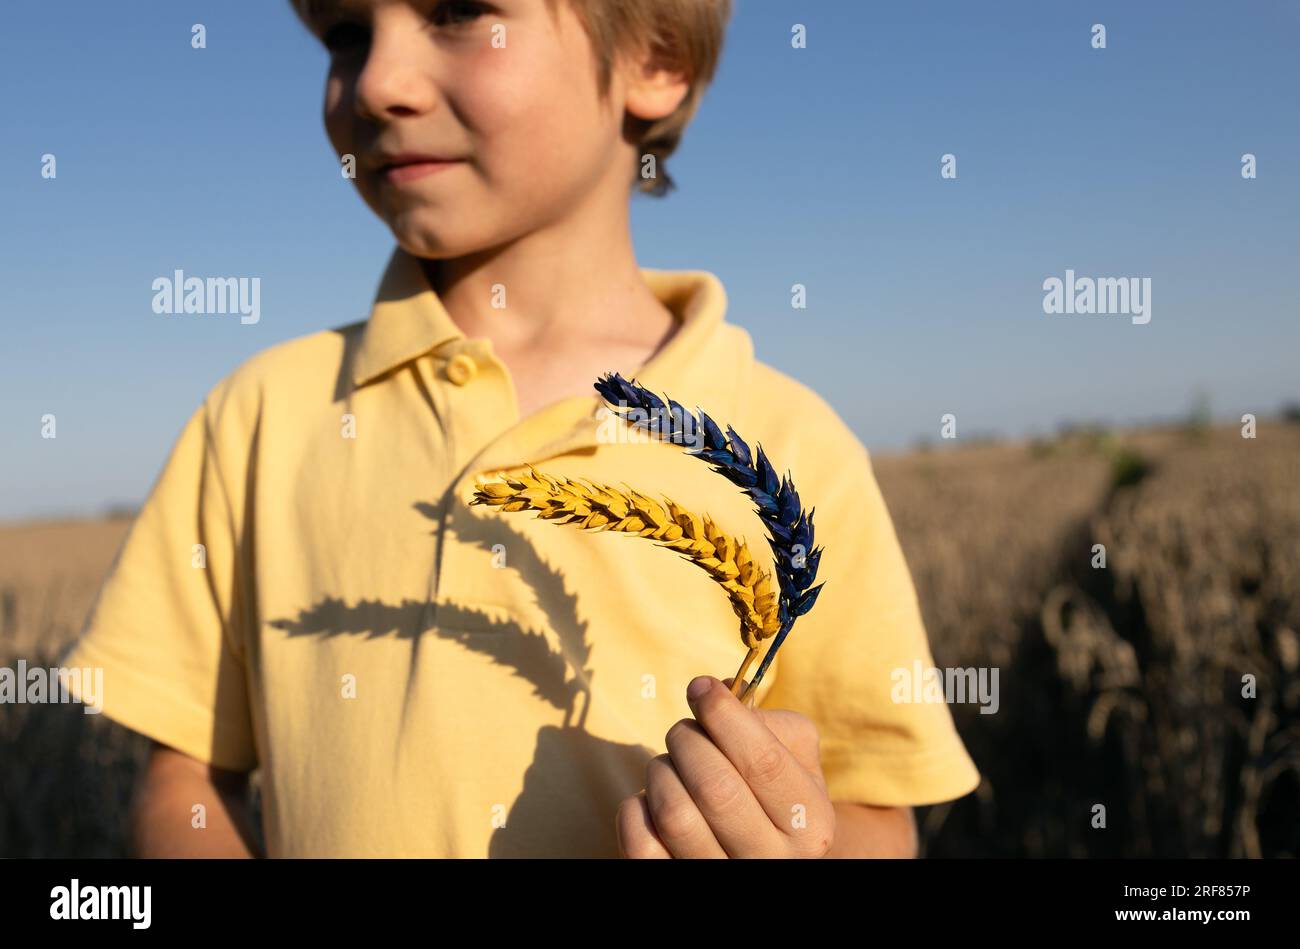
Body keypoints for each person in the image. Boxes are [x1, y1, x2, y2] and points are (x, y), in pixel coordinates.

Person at [62, 0, 979, 857]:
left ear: (653, 59)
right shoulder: (259, 415)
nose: (380, 81)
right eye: (347, 33)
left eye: (459, 12)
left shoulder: (791, 445)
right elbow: (185, 773)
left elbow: (876, 810)